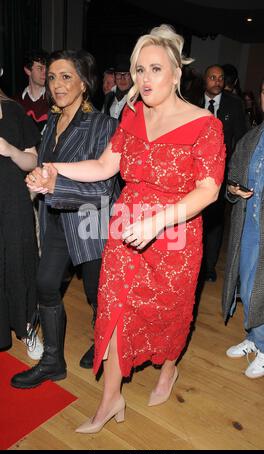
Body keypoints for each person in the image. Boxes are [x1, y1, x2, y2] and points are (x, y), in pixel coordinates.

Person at [19, 25, 226, 432]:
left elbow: (209, 191)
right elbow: (103, 166)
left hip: (175, 234)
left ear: (175, 74)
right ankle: (110, 398)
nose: (145, 79)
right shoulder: (131, 115)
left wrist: (157, 222)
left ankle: (169, 369)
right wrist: (54, 168)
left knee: (168, 312)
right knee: (113, 311)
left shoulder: (205, 125)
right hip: (126, 228)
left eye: (155, 69)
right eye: (138, 70)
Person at [10, 50, 119, 389]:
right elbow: (45, 168)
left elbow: (103, 187)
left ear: (84, 83)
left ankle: (101, 343)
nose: (57, 84)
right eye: (53, 77)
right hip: (56, 220)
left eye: (66, 76)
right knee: (46, 285)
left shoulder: (103, 124)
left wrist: (54, 185)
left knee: (96, 293)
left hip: (91, 222)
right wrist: (37, 181)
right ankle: (53, 361)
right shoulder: (52, 121)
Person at [223, 77, 264, 379]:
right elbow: (231, 179)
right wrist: (233, 190)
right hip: (248, 227)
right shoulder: (252, 137)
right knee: (248, 285)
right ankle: (255, 337)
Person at [0, 85, 43, 359]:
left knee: (20, 263)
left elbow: (32, 161)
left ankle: (28, 328)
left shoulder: (14, 111)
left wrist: (10, 150)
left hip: (14, 203)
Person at [201, 64, 247, 282]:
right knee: (196, 219)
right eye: (212, 77)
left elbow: (241, 138)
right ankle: (197, 266)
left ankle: (209, 266)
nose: (217, 81)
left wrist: (233, 172)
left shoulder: (234, 105)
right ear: (205, 80)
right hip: (195, 173)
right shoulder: (191, 103)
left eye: (220, 78)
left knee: (215, 221)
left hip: (221, 172)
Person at [15, 49, 49, 133]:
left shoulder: (54, 100)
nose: (45, 72)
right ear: (28, 71)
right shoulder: (16, 102)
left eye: (46, 68)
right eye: (40, 68)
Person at [103, 55, 132, 121]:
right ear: (114, 76)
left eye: (126, 74)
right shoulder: (108, 98)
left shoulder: (138, 100)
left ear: (132, 76)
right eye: (119, 74)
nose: (122, 79)